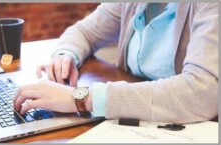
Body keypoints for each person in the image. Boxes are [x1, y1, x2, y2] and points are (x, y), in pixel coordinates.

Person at [13, 3, 218, 123]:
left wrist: (83, 98)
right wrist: (65, 55)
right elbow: (84, 32)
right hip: (137, 121)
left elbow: (204, 91)